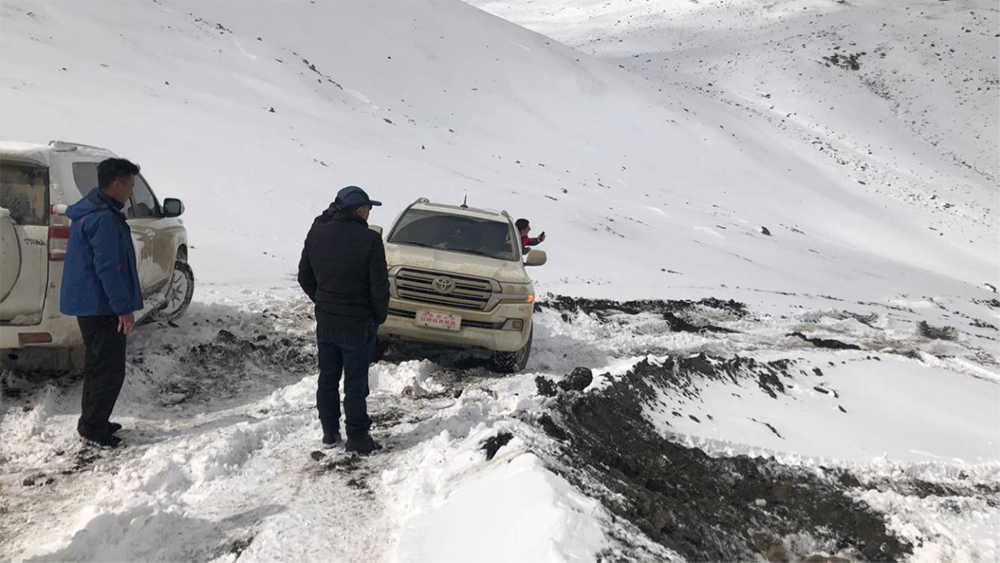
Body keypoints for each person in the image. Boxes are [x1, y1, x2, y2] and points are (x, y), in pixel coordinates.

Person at [298, 186, 390, 455]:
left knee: (327, 378)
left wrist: (324, 301)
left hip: (327, 323)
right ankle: (357, 437)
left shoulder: (317, 232)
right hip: (358, 325)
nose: (369, 214)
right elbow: (379, 287)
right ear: (360, 210)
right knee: (355, 383)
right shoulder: (370, 240)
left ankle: (329, 432)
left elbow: (304, 276)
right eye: (369, 209)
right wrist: (378, 317)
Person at [60, 158, 144, 449]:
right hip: (102, 306)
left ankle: (92, 422)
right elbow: (109, 267)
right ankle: (94, 430)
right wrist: (123, 308)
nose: (131, 192)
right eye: (130, 186)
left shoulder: (95, 211)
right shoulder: (103, 218)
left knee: (99, 367)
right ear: (117, 183)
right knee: (109, 370)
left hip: (93, 303)